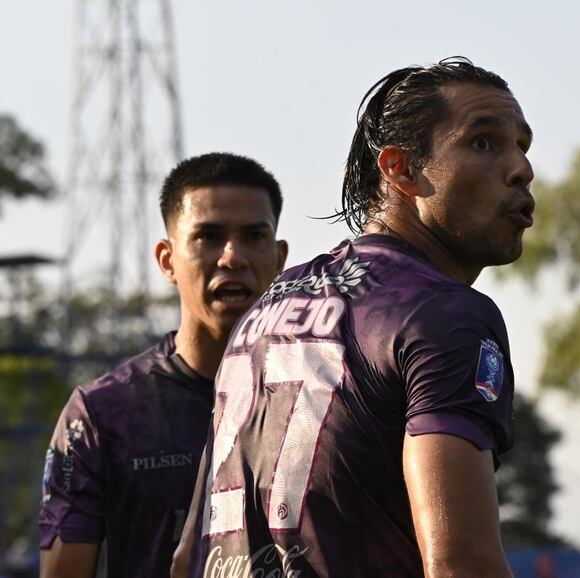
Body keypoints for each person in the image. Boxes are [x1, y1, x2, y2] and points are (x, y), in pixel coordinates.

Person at [176, 57, 534, 578]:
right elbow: (462, 564)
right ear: (401, 169)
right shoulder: (442, 313)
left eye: (523, 145)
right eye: (483, 142)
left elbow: (190, 555)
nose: (521, 167)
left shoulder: (265, 309)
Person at [39, 152, 289, 578]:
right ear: (167, 259)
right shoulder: (101, 413)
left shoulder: (325, 393)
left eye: (253, 236)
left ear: (280, 258)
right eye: (208, 237)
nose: (232, 257)